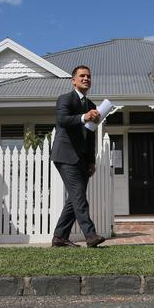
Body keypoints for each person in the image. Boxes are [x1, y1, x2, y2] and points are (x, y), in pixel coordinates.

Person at [50, 65, 106, 248]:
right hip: (65, 155)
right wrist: (84, 117)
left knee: (75, 198)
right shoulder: (65, 99)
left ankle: (59, 237)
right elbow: (63, 121)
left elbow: (90, 135)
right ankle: (90, 235)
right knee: (79, 197)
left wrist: (91, 160)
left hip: (82, 158)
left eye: (88, 76)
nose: (86, 79)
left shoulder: (91, 106)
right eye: (82, 76)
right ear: (73, 80)